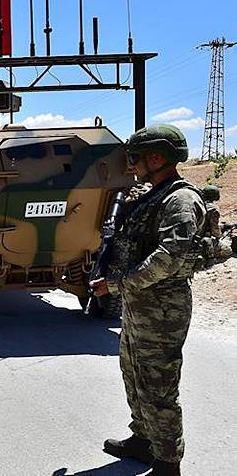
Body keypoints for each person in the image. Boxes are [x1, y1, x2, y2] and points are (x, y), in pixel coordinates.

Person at [90, 125, 206, 476]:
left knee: (158, 386)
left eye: (135, 158)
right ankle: (143, 440)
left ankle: (168, 463)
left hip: (163, 308)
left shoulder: (180, 200)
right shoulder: (153, 195)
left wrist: (117, 285)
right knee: (134, 375)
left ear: (156, 158)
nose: (131, 165)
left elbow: (168, 258)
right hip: (138, 304)